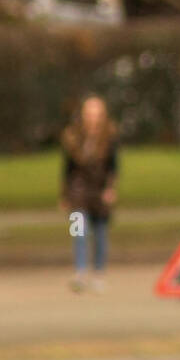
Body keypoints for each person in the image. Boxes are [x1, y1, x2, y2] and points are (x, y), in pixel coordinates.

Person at [59, 95, 119, 293]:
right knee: (78, 232)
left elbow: (113, 167)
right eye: (89, 113)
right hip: (78, 193)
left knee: (100, 235)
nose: (93, 118)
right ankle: (80, 271)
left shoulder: (110, 136)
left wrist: (110, 189)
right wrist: (65, 195)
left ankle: (99, 273)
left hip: (99, 192)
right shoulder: (72, 137)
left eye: (97, 114)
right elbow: (67, 169)